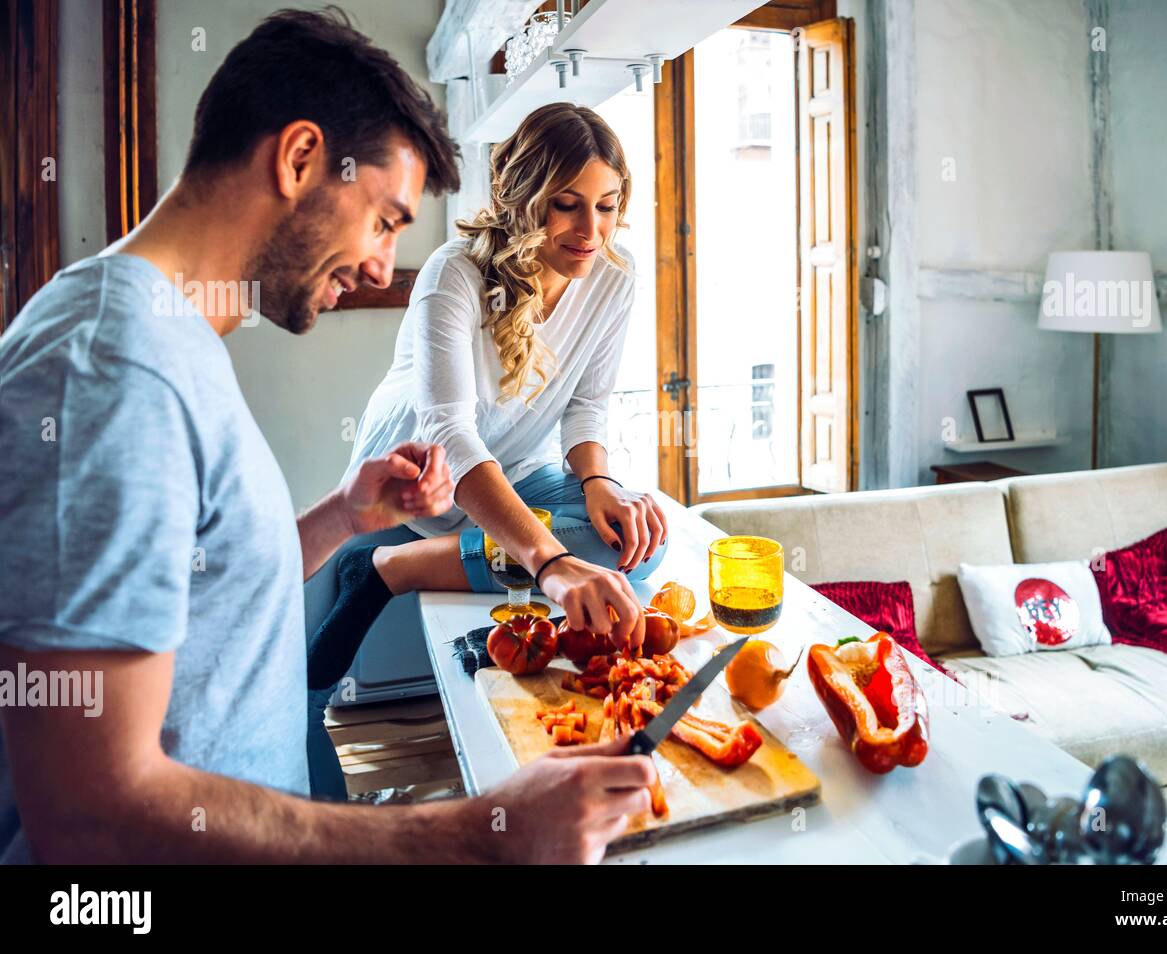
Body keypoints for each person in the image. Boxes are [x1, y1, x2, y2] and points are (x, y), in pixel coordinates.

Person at [0, 9, 655, 865]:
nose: (386, 266)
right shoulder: (108, 375)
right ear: (300, 157)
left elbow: (206, 587)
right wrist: (475, 840)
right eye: (384, 219)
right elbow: (91, 813)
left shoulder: (168, 344)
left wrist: (342, 518)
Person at [305, 104, 668, 715]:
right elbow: (449, 434)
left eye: (606, 205)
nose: (591, 229)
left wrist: (600, 483)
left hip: (520, 469)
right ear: (526, 199)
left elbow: (587, 404)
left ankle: (426, 561)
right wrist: (548, 561)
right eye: (567, 203)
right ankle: (394, 564)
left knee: (640, 538)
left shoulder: (614, 274)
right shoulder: (455, 272)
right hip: (424, 478)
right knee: (574, 556)